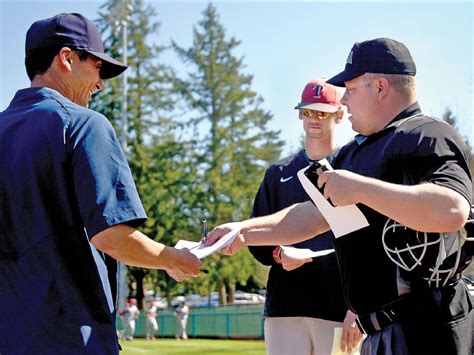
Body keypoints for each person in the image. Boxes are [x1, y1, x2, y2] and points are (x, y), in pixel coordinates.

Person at [205, 38, 472, 355]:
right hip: (380, 334)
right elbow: (313, 215)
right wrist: (242, 231)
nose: (345, 100)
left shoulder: (426, 133)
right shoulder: (353, 152)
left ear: (380, 87)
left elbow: (452, 208)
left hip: (426, 329)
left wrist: (359, 188)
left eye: (351, 88)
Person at [0, 13, 201, 354]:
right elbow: (111, 236)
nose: (101, 83)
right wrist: (172, 258)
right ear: (66, 58)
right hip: (69, 335)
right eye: (97, 67)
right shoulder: (83, 124)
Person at [249, 78, 361, 354]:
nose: (313, 119)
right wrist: (279, 255)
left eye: (321, 112)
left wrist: (357, 308)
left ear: (339, 115)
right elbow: (256, 239)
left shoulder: (354, 168)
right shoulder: (278, 173)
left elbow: (365, 247)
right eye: (307, 111)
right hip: (285, 307)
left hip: (338, 309)